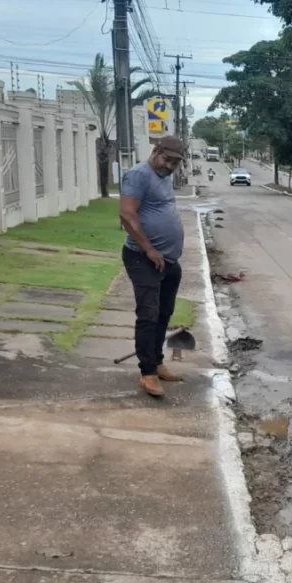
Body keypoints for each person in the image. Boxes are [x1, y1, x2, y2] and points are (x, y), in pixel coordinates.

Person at [119, 136, 187, 398]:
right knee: (148, 314)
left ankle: (157, 363)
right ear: (156, 151)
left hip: (167, 261)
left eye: (175, 163)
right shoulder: (139, 175)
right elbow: (127, 214)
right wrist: (149, 248)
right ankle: (147, 373)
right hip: (142, 257)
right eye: (166, 160)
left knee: (163, 313)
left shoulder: (164, 176)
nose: (169, 166)